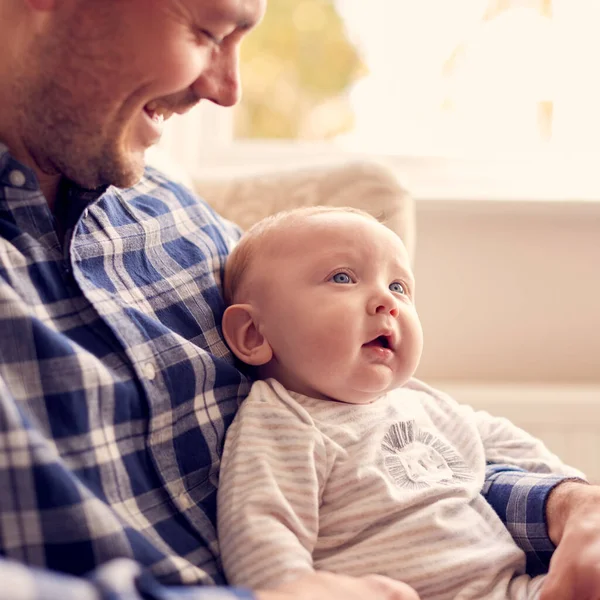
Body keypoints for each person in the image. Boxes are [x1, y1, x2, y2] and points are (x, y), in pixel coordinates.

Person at [0, 1, 598, 599]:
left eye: (398, 287)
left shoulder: (183, 223)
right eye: (206, 31)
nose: (227, 90)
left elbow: (407, 454)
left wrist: (562, 506)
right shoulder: (276, 420)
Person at [216, 206, 583, 600]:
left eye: (399, 287)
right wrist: (292, 585)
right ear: (254, 334)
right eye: (342, 277)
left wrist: (580, 498)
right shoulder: (283, 418)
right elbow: (258, 522)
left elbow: (509, 445)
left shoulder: (418, 401)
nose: (385, 301)